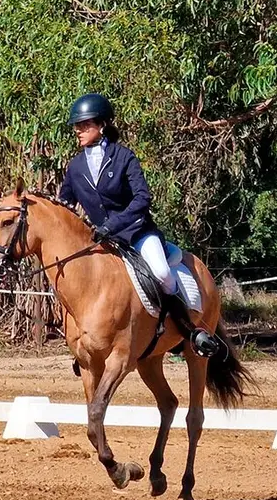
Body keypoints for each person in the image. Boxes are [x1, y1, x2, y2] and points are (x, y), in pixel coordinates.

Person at [58, 93, 219, 358]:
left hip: (137, 234)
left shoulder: (123, 157)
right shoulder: (76, 167)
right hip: (104, 241)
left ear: (101, 126)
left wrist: (113, 224)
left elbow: (142, 198)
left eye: (84, 125)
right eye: (77, 126)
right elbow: (65, 202)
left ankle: (188, 329)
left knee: (162, 272)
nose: (78, 130)